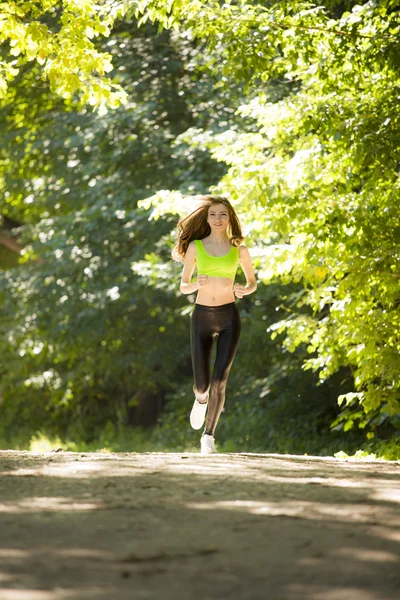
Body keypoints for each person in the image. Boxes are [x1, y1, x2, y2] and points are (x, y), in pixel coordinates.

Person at [172, 195, 257, 454]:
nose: (217, 219)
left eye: (222, 214)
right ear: (206, 218)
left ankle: (208, 436)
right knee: (203, 385)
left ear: (229, 217)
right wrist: (196, 283)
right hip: (201, 317)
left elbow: (253, 282)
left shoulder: (239, 250)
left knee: (220, 380)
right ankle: (200, 399)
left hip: (229, 317)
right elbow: (183, 285)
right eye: (213, 215)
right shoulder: (196, 247)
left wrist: (246, 288)